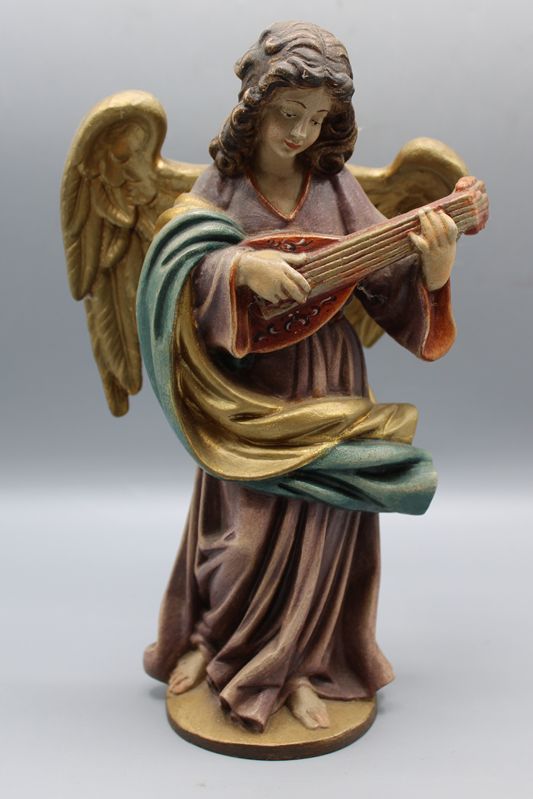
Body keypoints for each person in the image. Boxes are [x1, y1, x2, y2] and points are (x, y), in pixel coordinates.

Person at [139, 21, 458, 733]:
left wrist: (432, 273)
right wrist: (238, 267)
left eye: (316, 119)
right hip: (246, 389)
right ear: (255, 105)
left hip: (328, 378)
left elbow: (382, 280)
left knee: (321, 530)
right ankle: (212, 641)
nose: (301, 133)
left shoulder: (335, 186)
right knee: (241, 536)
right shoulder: (222, 184)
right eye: (288, 113)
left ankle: (299, 666)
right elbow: (173, 270)